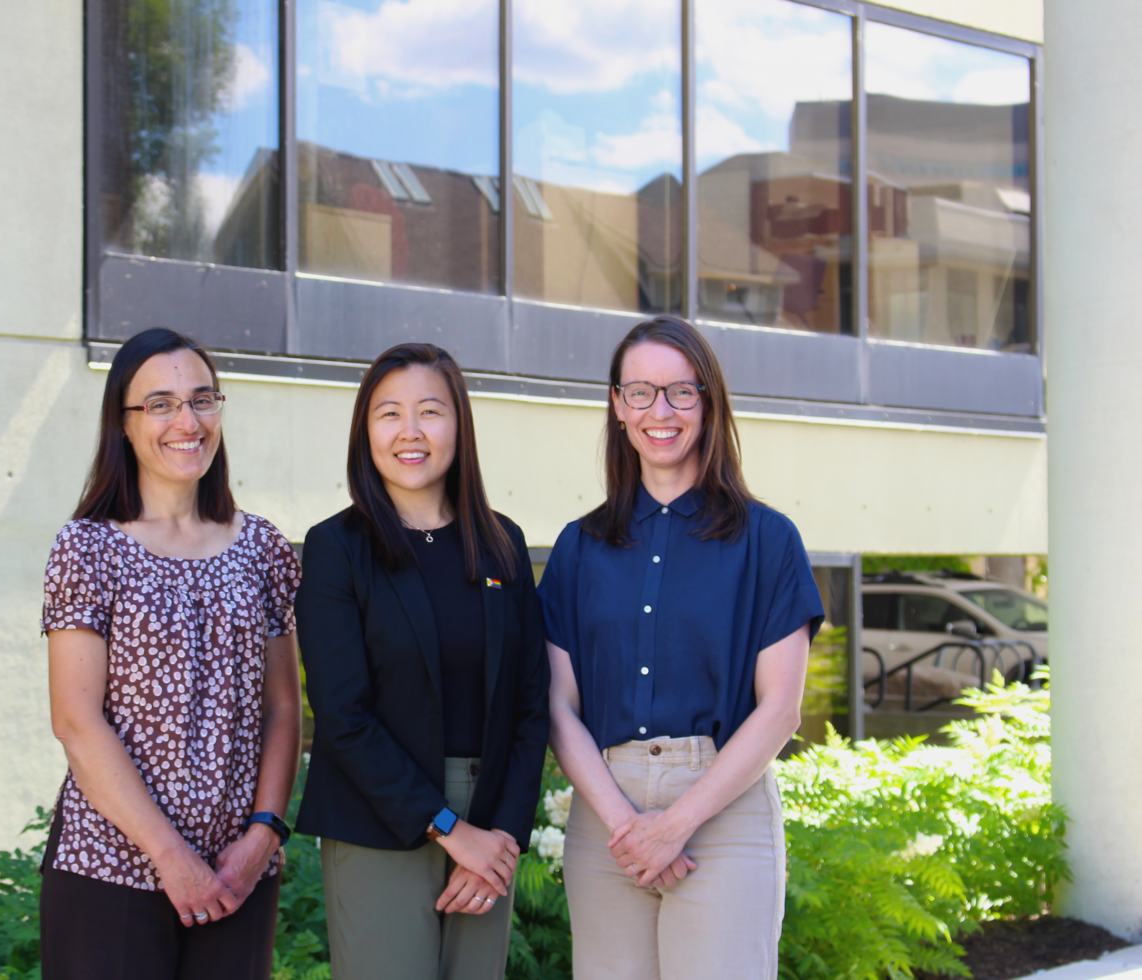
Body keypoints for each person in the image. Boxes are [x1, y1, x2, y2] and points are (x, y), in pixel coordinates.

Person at [540, 316, 826, 979]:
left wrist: (675, 823)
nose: (658, 411)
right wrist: (628, 824)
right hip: (605, 814)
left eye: (680, 392)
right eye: (640, 392)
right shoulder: (579, 548)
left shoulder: (769, 541)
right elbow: (557, 705)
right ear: (617, 405)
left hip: (722, 806)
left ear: (709, 401)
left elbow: (780, 709)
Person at [39, 327, 302, 980]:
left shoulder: (264, 548)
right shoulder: (89, 549)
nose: (186, 421)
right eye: (159, 404)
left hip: (237, 875)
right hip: (110, 867)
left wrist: (264, 835)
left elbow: (283, 707)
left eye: (202, 399)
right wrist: (170, 857)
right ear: (123, 425)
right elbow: (76, 720)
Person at [295, 343, 550, 980]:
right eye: (389, 414)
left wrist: (501, 837)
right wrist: (449, 829)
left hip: (488, 825)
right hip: (379, 816)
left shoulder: (503, 543)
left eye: (430, 411)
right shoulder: (336, 548)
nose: (410, 432)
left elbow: (529, 705)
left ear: (458, 426)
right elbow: (342, 716)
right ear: (366, 432)